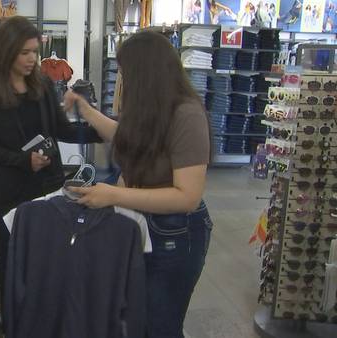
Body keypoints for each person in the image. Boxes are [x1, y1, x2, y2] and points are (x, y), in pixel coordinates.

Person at [64, 31, 213, 338]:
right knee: (138, 320)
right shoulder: (150, 110)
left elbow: (187, 196)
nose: (121, 80)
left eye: (125, 73)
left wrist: (114, 195)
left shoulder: (187, 115)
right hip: (144, 226)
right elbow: (126, 139)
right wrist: (87, 110)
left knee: (160, 325)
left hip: (175, 234)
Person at [0, 16, 100, 304]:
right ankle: (12, 321)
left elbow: (61, 129)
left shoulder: (42, 85)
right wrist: (22, 160)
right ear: (7, 52)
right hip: (9, 192)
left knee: (49, 260)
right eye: (25, 53)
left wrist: (104, 131)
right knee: (11, 262)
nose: (32, 59)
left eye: (35, 52)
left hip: (48, 187)